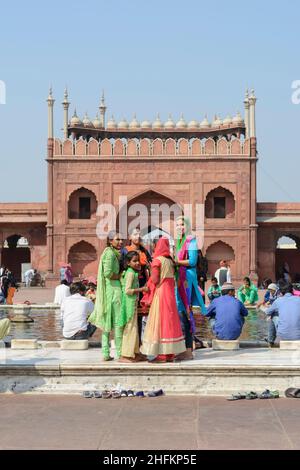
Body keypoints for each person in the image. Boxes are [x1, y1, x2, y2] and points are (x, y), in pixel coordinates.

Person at [140, 237, 186, 362]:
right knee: (169, 321)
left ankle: (162, 354)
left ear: (157, 247)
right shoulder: (170, 261)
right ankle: (170, 354)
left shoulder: (157, 261)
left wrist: (149, 274)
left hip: (160, 294)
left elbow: (155, 280)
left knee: (160, 322)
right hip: (170, 295)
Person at [175, 216, 207, 361]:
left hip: (187, 278)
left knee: (186, 312)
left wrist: (176, 261)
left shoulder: (191, 241)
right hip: (180, 278)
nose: (179, 227)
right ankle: (187, 346)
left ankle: (188, 349)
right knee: (181, 311)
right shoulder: (179, 242)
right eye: (177, 225)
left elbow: (193, 261)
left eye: (182, 224)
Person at [89, 231, 123, 361]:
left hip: (111, 290)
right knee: (118, 323)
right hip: (113, 290)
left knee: (107, 325)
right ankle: (119, 353)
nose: (120, 242)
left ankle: (105, 353)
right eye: (117, 239)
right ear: (110, 241)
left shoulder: (112, 253)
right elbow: (108, 273)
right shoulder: (110, 254)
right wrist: (121, 275)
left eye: (121, 239)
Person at [122, 228, 152, 342]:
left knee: (141, 315)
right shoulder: (125, 251)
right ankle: (130, 342)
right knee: (130, 314)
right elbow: (122, 267)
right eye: (135, 234)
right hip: (131, 283)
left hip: (143, 284)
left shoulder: (144, 251)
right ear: (130, 237)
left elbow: (150, 265)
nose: (138, 236)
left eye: (139, 234)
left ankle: (139, 342)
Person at [119, 251, 148, 363]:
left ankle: (135, 353)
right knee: (130, 329)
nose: (137, 263)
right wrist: (141, 289)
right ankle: (126, 355)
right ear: (128, 262)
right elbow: (127, 290)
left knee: (134, 329)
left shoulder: (132, 272)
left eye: (137, 260)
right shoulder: (130, 273)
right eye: (134, 261)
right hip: (129, 304)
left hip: (132, 304)